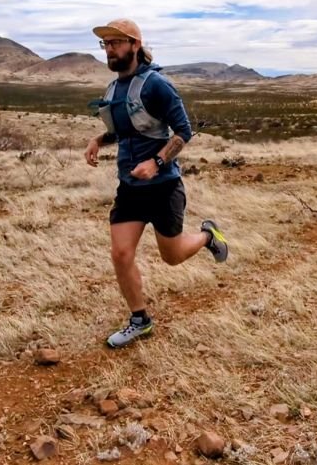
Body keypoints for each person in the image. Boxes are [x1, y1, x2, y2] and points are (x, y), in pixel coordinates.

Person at [84, 18, 229, 348]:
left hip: (163, 187)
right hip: (130, 189)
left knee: (173, 256)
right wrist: (97, 139)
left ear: (135, 45)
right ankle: (140, 320)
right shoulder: (113, 89)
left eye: (116, 43)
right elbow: (123, 131)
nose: (110, 49)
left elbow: (183, 131)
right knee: (121, 254)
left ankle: (208, 235)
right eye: (105, 44)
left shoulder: (156, 84)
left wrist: (157, 161)